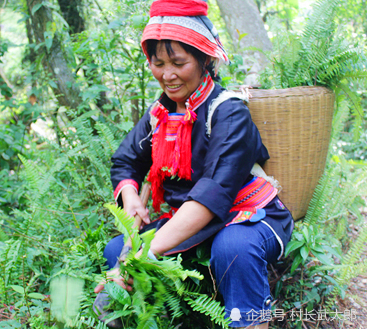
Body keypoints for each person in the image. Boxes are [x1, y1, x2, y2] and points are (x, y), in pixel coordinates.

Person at [95, 0, 294, 328]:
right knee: (116, 248)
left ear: (204, 59)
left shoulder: (229, 113)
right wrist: (131, 201)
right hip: (189, 221)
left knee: (234, 248)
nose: (167, 75)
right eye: (158, 63)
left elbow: (210, 196)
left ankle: (252, 322)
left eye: (178, 62)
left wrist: (142, 254)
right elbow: (125, 160)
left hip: (247, 216)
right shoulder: (159, 114)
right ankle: (150, 318)